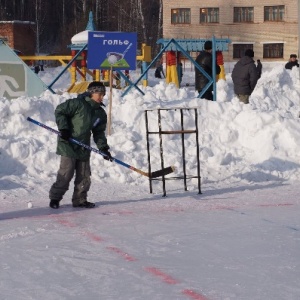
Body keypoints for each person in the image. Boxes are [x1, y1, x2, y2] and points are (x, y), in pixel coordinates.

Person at [49, 81, 112, 209]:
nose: (101, 97)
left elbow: (99, 132)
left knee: (84, 175)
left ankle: (80, 199)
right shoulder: (77, 104)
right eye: (99, 94)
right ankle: (55, 198)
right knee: (66, 174)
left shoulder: (100, 113)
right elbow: (60, 111)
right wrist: (64, 129)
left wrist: (103, 148)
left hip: (83, 146)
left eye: (103, 94)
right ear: (91, 93)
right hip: (68, 143)